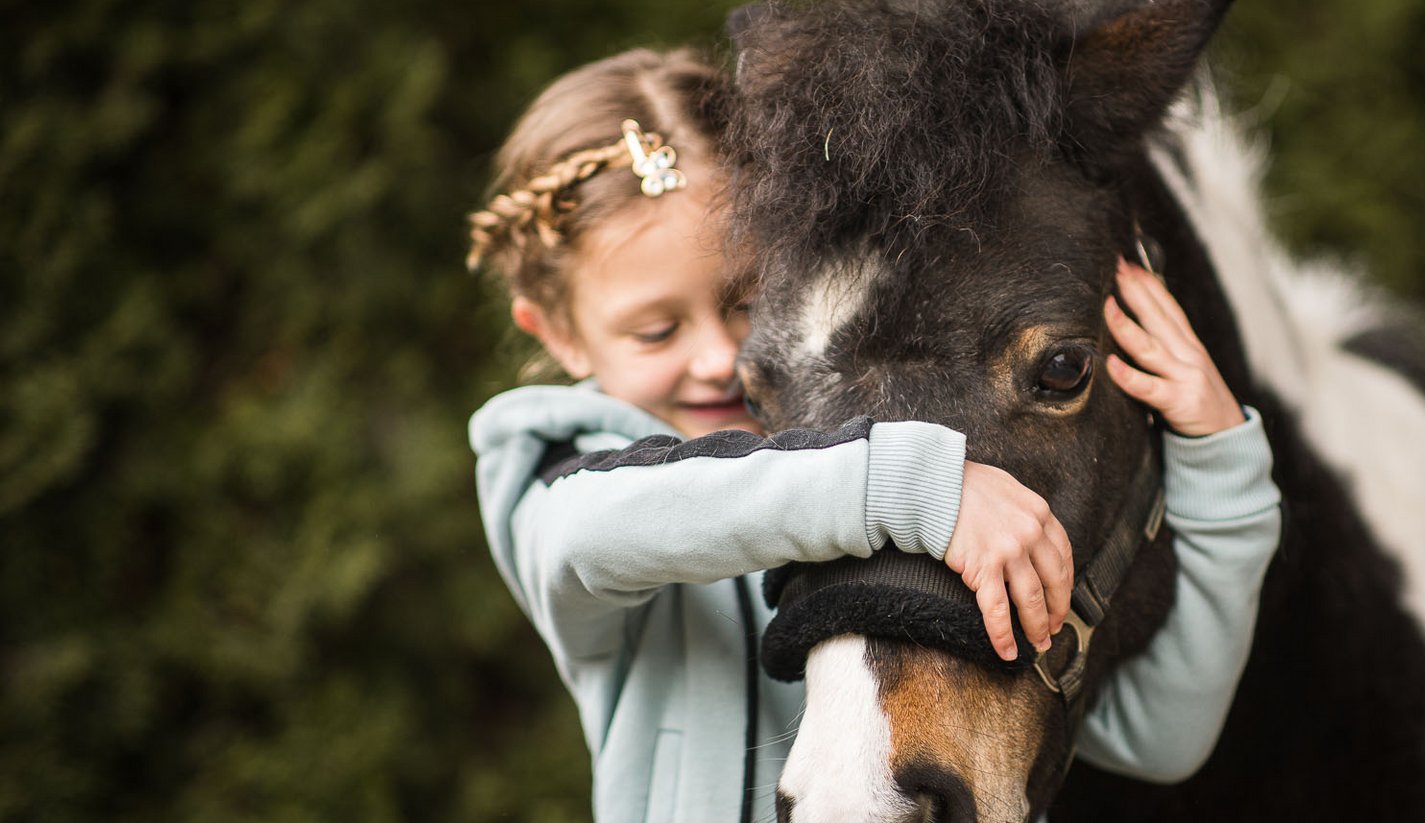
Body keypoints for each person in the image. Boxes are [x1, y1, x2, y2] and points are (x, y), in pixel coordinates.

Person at [466, 47, 1283, 821]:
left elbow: (1156, 735)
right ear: (561, 335)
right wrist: (907, 485)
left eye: (745, 301)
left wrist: (1219, 462)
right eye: (655, 332)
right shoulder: (554, 463)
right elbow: (591, 528)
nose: (719, 358)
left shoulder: (873, 457)